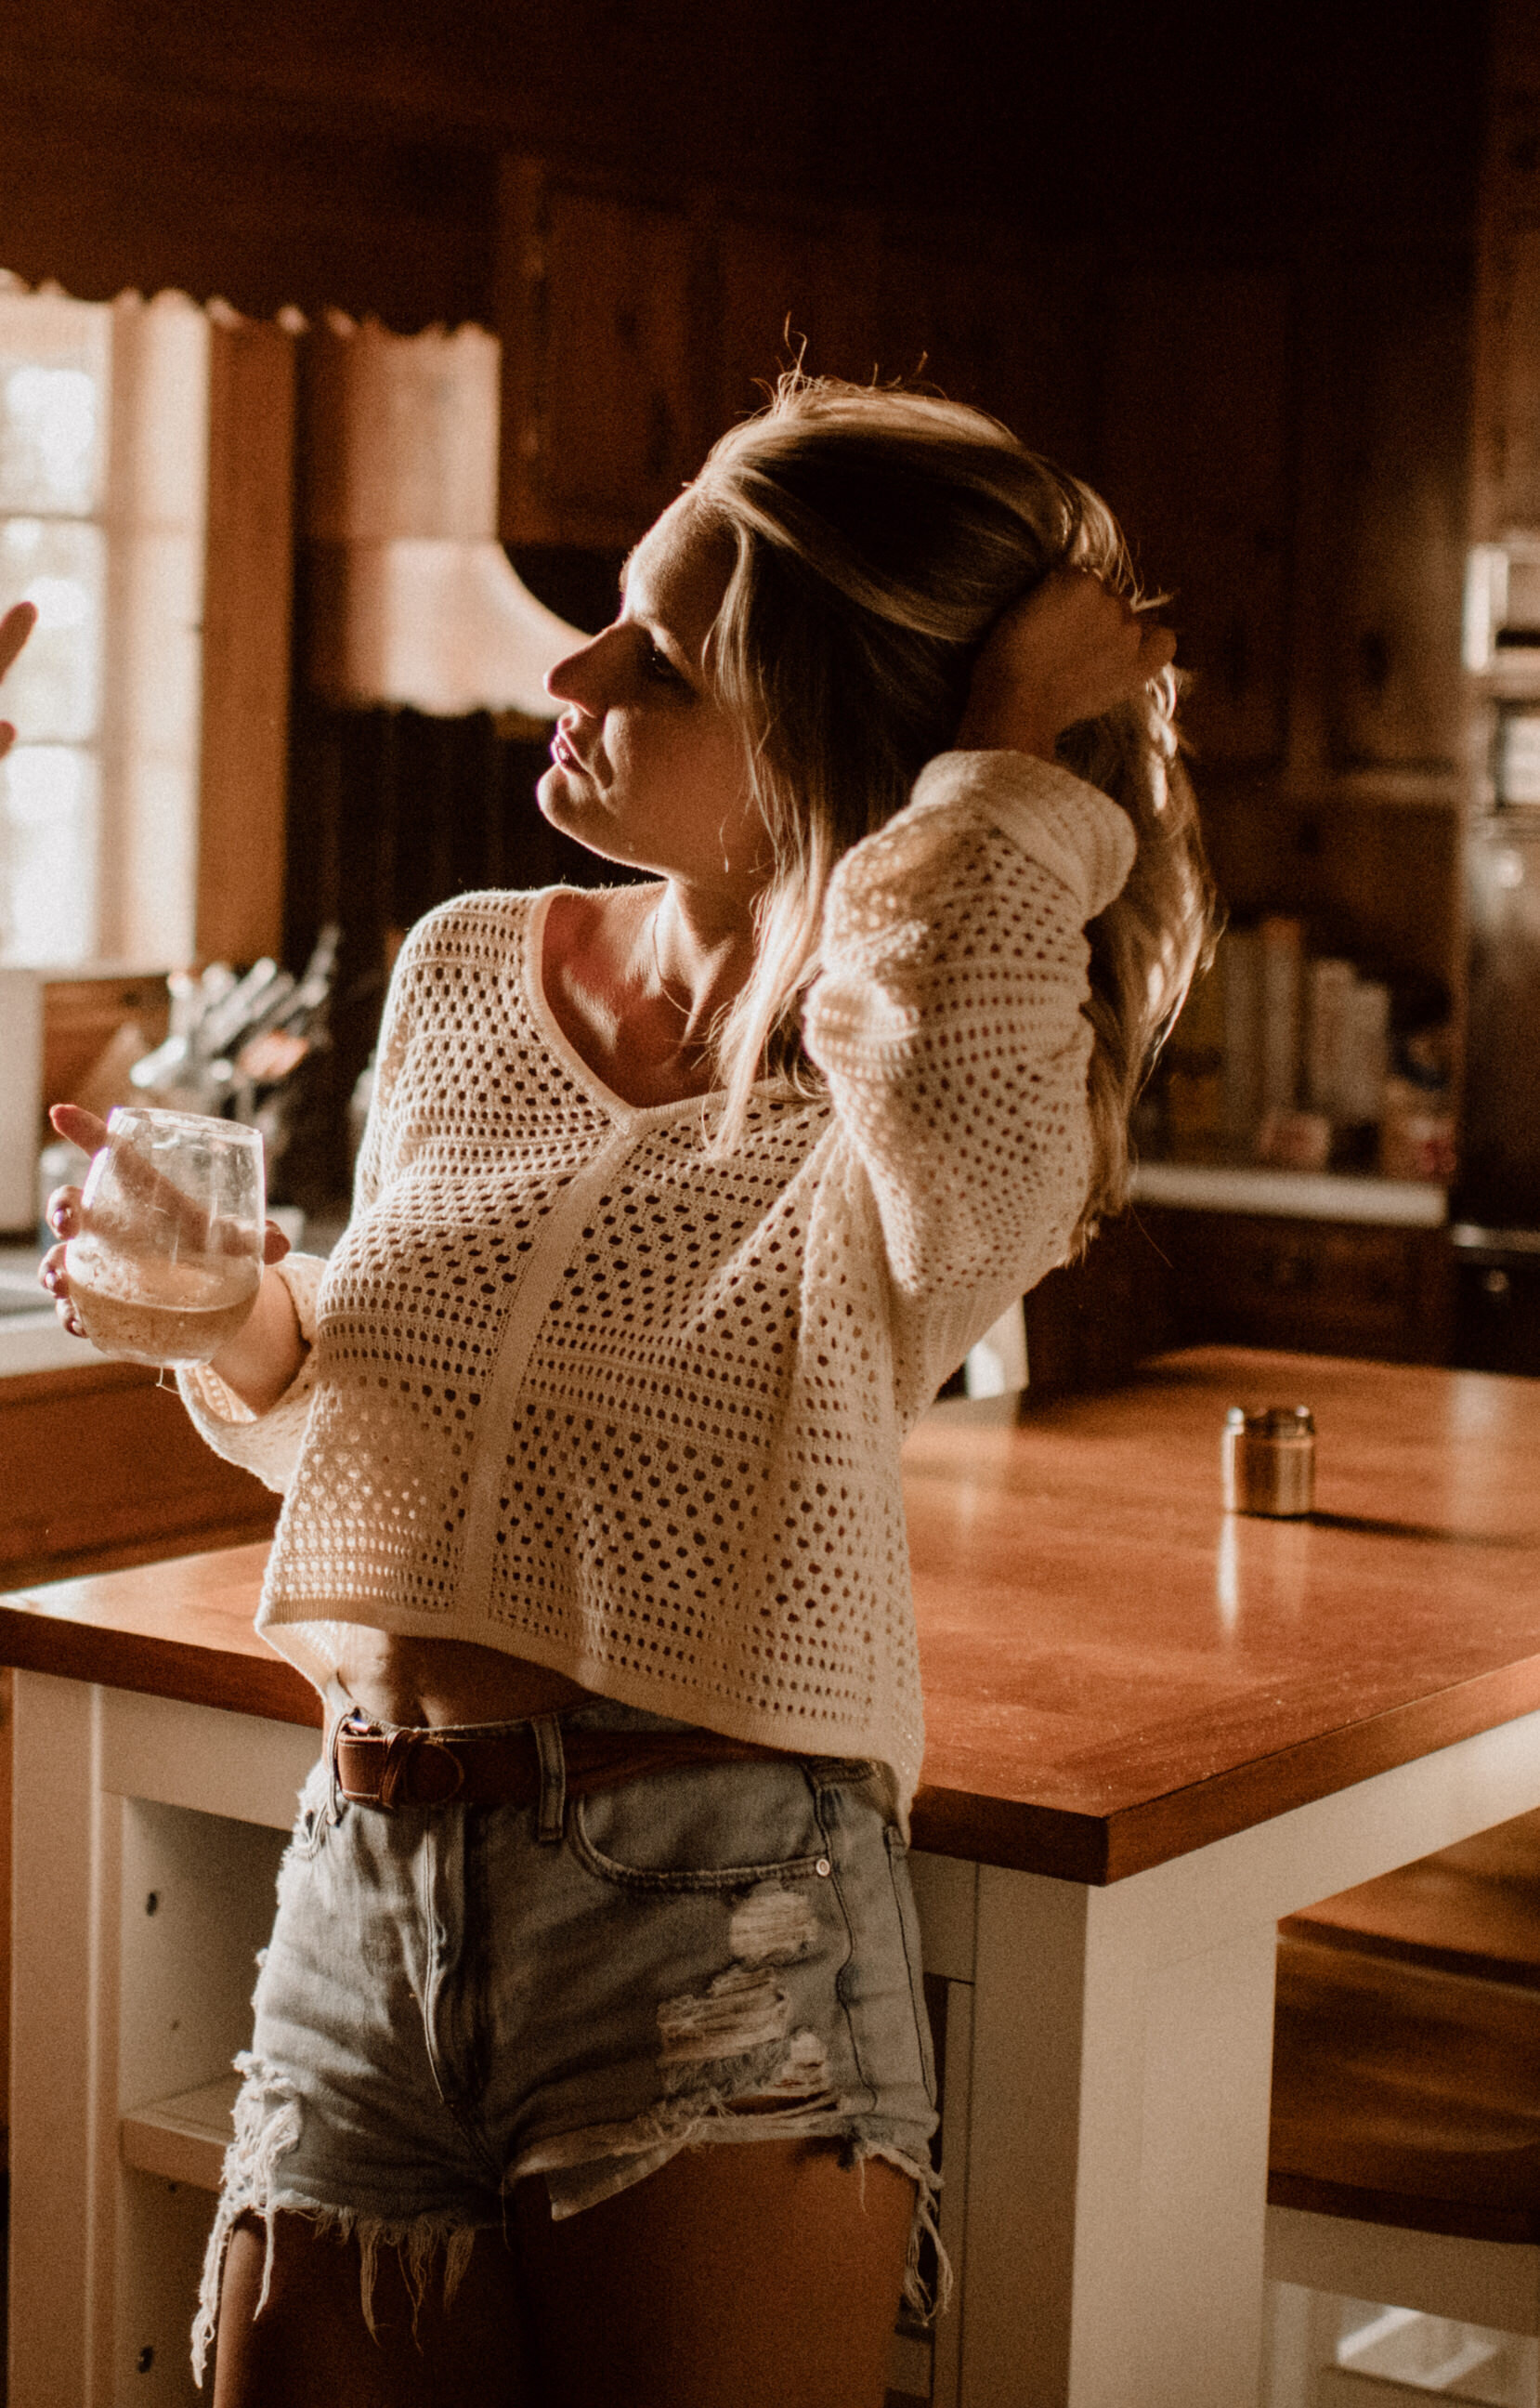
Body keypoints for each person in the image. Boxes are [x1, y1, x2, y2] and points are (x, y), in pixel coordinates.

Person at [39, 374, 1212, 2408]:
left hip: (714, 1912)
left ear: (834, 754)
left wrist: (1000, 748)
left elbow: (979, 1185)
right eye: (611, 608)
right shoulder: (470, 970)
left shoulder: (919, 1068)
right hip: (363, 1867)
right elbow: (397, 1430)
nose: (569, 667)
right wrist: (234, 1319)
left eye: (662, 657)